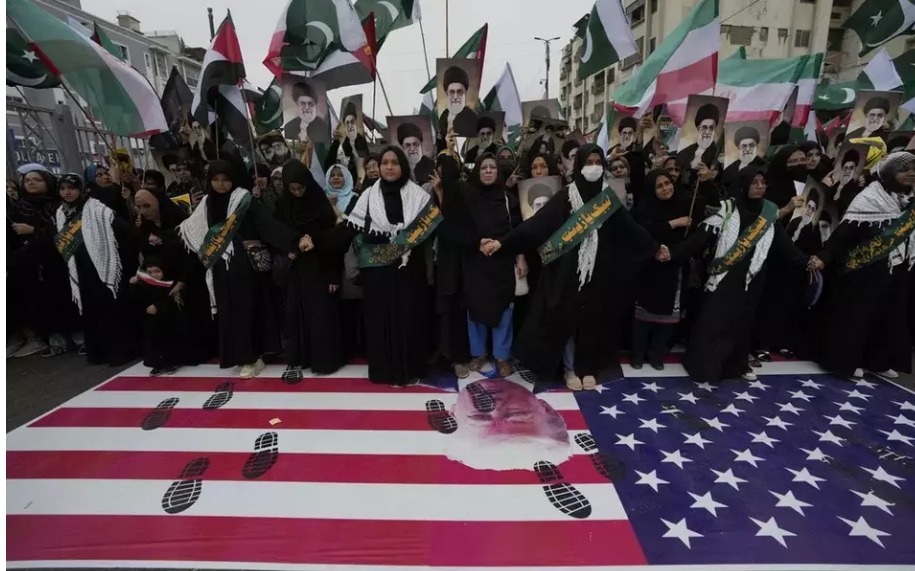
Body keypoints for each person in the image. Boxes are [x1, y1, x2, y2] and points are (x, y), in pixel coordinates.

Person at [480, 144, 663, 391]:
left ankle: (587, 367)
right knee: (565, 318)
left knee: (593, 319)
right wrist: (503, 243)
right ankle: (568, 368)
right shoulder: (567, 196)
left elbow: (630, 229)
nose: (594, 167)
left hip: (599, 270)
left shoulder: (607, 198)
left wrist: (654, 247)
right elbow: (536, 225)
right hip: (567, 271)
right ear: (580, 166)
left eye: (599, 162)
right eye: (589, 162)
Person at [675, 166, 812, 382]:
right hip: (724, 277)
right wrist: (672, 254)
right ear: (744, 184)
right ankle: (703, 367)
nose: (760, 187)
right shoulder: (729, 208)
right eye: (754, 182)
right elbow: (702, 237)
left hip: (752, 279)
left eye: (763, 183)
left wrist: (808, 262)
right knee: (714, 321)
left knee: (741, 324)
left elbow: (784, 245)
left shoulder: (769, 212)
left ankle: (735, 366)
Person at [178, 160, 298, 378]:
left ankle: (252, 356)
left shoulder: (244, 200)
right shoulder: (206, 203)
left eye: (225, 180)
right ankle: (238, 354)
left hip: (244, 266)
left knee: (247, 310)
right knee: (228, 311)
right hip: (219, 267)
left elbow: (267, 226)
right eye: (216, 180)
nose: (221, 185)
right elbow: (193, 234)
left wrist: (292, 242)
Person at [334, 146, 439, 386]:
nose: (389, 167)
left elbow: (436, 229)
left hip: (409, 272)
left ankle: (410, 369)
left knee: (409, 321)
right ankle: (384, 371)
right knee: (380, 322)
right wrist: (315, 241)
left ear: (403, 166)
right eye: (385, 163)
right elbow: (349, 229)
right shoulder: (368, 195)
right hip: (377, 273)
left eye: (394, 162)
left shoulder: (419, 197)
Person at [813, 151, 915, 380]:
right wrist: (824, 256)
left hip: (894, 269)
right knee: (857, 316)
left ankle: (877, 360)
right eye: (904, 169)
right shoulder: (868, 198)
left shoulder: (906, 200)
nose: (910, 174)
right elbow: (844, 234)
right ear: (889, 172)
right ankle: (848, 361)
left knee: (887, 315)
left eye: (913, 169)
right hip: (863, 269)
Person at [442, 151, 525, 377]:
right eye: (484, 168)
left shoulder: (509, 198)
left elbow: (518, 229)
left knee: (504, 311)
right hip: (474, 260)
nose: (488, 171)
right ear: (477, 172)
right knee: (474, 308)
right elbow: (457, 225)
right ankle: (478, 353)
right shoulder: (467, 196)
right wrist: (476, 243)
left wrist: (515, 253)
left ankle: (502, 356)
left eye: (492, 167)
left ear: (498, 172)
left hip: (502, 260)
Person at [54, 173, 137, 366]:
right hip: (81, 268)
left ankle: (120, 352)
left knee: (110, 310)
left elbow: (121, 228)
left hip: (101, 265)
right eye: (63, 188)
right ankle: (99, 352)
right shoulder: (61, 212)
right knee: (91, 310)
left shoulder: (95, 207)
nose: (67, 192)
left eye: (72, 188)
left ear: (81, 189)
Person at [276, 159, 345, 380]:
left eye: (301, 188)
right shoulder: (282, 205)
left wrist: (334, 274)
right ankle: (303, 357)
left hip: (320, 267)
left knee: (321, 314)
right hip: (297, 269)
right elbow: (277, 234)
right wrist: (292, 245)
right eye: (292, 189)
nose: (297, 192)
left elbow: (334, 241)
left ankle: (324, 361)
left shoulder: (320, 203)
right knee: (298, 313)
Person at [8, 167, 81, 358]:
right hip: (30, 263)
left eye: (37, 180)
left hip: (57, 260)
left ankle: (79, 336)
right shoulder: (18, 207)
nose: (31, 183)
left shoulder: (58, 205)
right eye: (28, 180)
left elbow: (62, 231)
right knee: (43, 304)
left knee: (66, 299)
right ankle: (54, 339)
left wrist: (33, 230)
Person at [631, 169, 694, 370]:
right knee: (643, 318)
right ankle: (638, 355)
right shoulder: (643, 209)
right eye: (659, 186)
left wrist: (672, 252)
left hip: (674, 266)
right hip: (649, 268)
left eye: (667, 183)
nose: (665, 188)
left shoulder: (684, 204)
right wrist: (673, 224)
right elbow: (642, 232)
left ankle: (656, 355)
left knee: (668, 318)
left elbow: (692, 239)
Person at [129, 256, 186, 376]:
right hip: (151, 321)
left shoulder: (170, 283)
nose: (154, 275)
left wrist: (158, 306)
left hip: (168, 320)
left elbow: (173, 300)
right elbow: (136, 299)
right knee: (154, 343)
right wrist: (133, 284)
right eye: (150, 272)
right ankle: (157, 365)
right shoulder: (144, 284)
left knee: (169, 342)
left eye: (157, 271)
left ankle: (172, 363)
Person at [437, 65, 478, 135]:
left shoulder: (474, 118)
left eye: (459, 92)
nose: (455, 97)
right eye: (452, 92)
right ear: (446, 93)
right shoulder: (443, 117)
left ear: (465, 93)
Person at [678, 102, 720, 170]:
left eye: (711, 128)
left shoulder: (718, 153)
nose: (707, 132)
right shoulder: (684, 153)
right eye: (704, 127)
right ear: (698, 128)